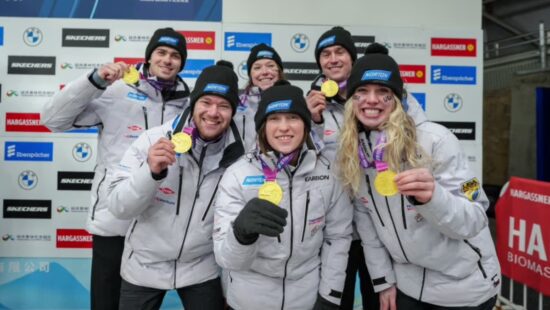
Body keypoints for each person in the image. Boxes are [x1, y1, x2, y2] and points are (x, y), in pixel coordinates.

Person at [338, 44, 501, 309]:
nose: (372, 100)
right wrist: (383, 281)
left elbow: (476, 218)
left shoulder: (436, 140)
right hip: (408, 289)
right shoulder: (354, 151)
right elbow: (368, 227)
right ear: (351, 101)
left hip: (464, 288)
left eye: (384, 92)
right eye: (362, 92)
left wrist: (434, 199)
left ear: (397, 100)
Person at [40, 27, 190, 310]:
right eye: (161, 52)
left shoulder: (188, 104)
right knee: (106, 303)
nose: (168, 60)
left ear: (182, 63)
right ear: (148, 57)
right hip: (113, 221)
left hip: (157, 222)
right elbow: (52, 119)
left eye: (175, 55)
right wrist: (94, 81)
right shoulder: (116, 91)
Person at [107, 62, 243, 310]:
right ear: (193, 103)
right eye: (206, 102)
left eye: (224, 106)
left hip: (201, 268)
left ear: (234, 111)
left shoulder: (240, 153)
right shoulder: (152, 140)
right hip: (144, 265)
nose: (213, 112)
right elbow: (118, 206)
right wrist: (150, 172)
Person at [212, 81, 353, 309]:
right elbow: (227, 260)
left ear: (306, 125)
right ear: (262, 127)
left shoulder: (327, 173)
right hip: (249, 299)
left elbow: (337, 238)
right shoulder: (237, 175)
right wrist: (240, 234)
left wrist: (330, 296)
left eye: (293, 118)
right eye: (274, 118)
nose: (284, 127)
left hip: (306, 297)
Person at [307, 26, 378, 309]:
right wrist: (312, 122)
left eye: (340, 52)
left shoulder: (375, 98)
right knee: (337, 301)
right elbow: (303, 163)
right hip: (335, 228)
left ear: (352, 58)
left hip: (378, 223)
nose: (333, 59)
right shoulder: (311, 103)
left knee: (379, 298)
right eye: (325, 54)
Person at [237, 43, 285, 151]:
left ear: (279, 71)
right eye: (257, 67)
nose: (264, 72)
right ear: (251, 75)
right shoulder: (236, 104)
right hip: (241, 166)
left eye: (270, 66)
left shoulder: (294, 101)